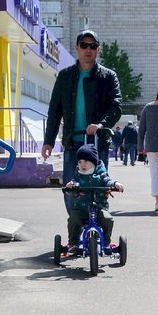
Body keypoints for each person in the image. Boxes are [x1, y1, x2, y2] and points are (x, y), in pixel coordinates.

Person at [41, 30, 122, 214]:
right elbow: (55, 111)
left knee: (99, 188)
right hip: (73, 143)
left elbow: (116, 106)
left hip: (97, 144)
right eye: (84, 45)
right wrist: (48, 141)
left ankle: (98, 225)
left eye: (92, 46)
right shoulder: (65, 76)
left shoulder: (108, 76)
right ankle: (76, 227)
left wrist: (100, 125)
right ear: (77, 48)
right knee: (71, 190)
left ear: (98, 50)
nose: (88, 49)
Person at [64, 144, 123, 253]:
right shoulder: (78, 175)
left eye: (86, 161)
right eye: (80, 162)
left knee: (107, 219)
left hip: (99, 207)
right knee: (73, 219)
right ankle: (73, 242)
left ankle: (106, 243)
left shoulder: (100, 174)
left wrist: (115, 184)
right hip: (81, 208)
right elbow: (73, 183)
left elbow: (107, 181)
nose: (82, 164)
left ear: (93, 162)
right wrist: (70, 186)